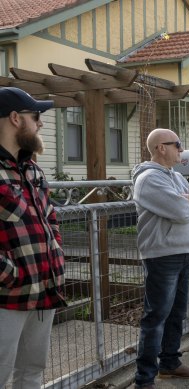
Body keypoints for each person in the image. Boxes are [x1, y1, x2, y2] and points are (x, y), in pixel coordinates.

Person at [132, 128, 189, 388]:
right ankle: (144, 379)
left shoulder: (175, 177)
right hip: (162, 255)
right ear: (160, 148)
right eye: (177, 144)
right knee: (156, 316)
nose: (182, 149)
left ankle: (170, 363)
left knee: (176, 313)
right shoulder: (149, 179)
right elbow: (179, 210)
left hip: (182, 251)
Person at [0, 87, 66, 389]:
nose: (40, 124)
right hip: (6, 296)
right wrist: (9, 274)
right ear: (15, 118)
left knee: (33, 371)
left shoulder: (33, 169)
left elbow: (50, 219)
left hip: (43, 288)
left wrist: (56, 258)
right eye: (35, 116)